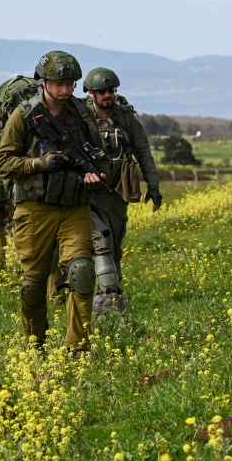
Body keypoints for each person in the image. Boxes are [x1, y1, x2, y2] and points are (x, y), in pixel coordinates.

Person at [0, 50, 109, 352]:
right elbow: (3, 163)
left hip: (74, 205)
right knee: (33, 284)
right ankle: (36, 343)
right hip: (35, 208)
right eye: (59, 84)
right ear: (43, 82)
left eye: (70, 84)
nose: (65, 90)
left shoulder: (81, 113)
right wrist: (39, 164)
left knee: (82, 272)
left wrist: (93, 175)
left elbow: (100, 160)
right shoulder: (24, 114)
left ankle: (77, 347)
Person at [82, 67, 162, 313]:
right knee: (101, 242)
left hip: (118, 193)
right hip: (89, 193)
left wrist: (154, 186)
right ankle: (106, 300)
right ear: (92, 93)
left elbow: (143, 150)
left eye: (111, 90)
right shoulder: (80, 116)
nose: (108, 95)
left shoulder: (125, 117)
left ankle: (113, 293)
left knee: (114, 246)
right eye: (102, 91)